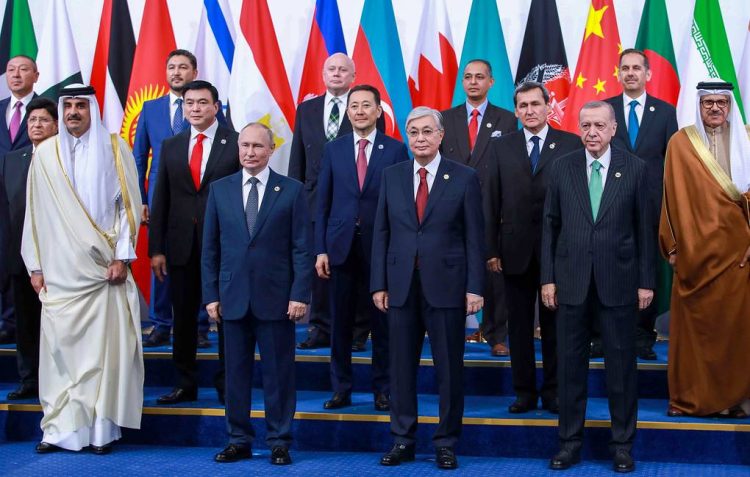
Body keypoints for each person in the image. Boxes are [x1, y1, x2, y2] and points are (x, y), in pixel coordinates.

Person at [21, 84, 143, 454]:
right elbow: (34, 214)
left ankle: (101, 431)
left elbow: (129, 208)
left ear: (92, 109)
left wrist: (122, 258)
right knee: (62, 354)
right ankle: (60, 430)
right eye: (68, 106)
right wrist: (35, 265)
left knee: (102, 354)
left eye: (80, 106)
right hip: (59, 274)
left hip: (104, 271)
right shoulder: (45, 155)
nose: (74, 112)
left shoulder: (115, 149)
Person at [541, 101, 654, 473]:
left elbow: (644, 232)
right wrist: (548, 278)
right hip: (571, 283)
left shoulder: (635, 169)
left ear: (612, 127)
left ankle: (622, 445)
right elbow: (550, 227)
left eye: (599, 126)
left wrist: (646, 283)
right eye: (585, 125)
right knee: (570, 369)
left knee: (621, 370)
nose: (591, 132)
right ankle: (569, 444)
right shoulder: (562, 168)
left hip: (618, 283)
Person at [372, 107, 485, 470]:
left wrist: (475, 288)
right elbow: (382, 233)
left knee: (448, 369)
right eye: (413, 132)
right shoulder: (391, 176)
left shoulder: (464, 177)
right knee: (400, 368)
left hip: (448, 287)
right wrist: (379, 283)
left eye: (426, 132)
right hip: (401, 286)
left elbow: (474, 238)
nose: (419, 138)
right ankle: (403, 439)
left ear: (440, 136)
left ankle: (446, 442)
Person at [203, 123, 313, 466]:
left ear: (271, 149)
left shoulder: (292, 190)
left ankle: (279, 440)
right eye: (244, 146)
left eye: (256, 146)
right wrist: (211, 295)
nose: (249, 152)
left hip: (278, 300)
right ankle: (238, 439)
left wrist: (300, 294)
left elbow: (302, 248)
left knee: (279, 375)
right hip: (232, 298)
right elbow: (210, 249)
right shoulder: (220, 190)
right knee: (235, 375)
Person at [483, 82, 580, 415]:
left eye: (535, 104)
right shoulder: (501, 147)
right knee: (520, 327)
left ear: (548, 105)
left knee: (555, 329)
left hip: (559, 252)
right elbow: (490, 201)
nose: (529, 111)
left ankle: (553, 391)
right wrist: (491, 249)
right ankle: (524, 391)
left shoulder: (571, 144)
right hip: (513, 251)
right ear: (515, 111)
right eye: (522, 106)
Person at [659, 80, 750, 418]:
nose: (714, 108)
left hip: (738, 256)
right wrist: (673, 248)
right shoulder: (681, 144)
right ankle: (691, 397)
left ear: (730, 106)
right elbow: (669, 198)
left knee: (734, 330)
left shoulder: (747, 140)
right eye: (708, 102)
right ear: (698, 105)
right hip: (694, 257)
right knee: (697, 331)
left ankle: (735, 399)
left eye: (721, 103)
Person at [315, 85, 409, 412]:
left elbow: (401, 204)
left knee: (382, 323)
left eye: (365, 106)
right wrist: (320, 249)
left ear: (378, 111)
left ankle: (383, 389)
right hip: (339, 248)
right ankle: (341, 388)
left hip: (380, 248)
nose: (358, 111)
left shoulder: (396, 150)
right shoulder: (334, 149)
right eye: (353, 106)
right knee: (339, 323)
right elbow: (322, 202)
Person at [149, 80, 238, 405]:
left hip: (226, 246)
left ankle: (228, 384)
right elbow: (162, 199)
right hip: (180, 246)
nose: (196, 108)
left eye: (203, 103)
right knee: (183, 319)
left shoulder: (236, 143)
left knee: (228, 318)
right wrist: (156, 248)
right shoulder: (171, 145)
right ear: (183, 108)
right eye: (190, 103)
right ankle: (184, 383)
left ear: (216, 107)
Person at [288, 53, 383, 350]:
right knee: (319, 266)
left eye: (344, 69)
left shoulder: (362, 110)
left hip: (350, 204)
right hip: (314, 201)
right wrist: (296, 197)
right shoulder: (306, 109)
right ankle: (319, 327)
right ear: (323, 73)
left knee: (354, 266)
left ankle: (357, 330)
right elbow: (297, 160)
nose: (337, 73)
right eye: (332, 68)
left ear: (353, 76)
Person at [134, 49, 227, 348]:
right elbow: (139, 157)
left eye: (183, 67)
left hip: (204, 199)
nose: (176, 72)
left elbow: (223, 151)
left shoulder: (208, 106)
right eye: (171, 66)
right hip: (163, 199)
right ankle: (160, 323)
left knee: (202, 264)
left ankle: (200, 325)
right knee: (162, 263)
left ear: (194, 71)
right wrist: (141, 198)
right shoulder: (150, 109)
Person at [602, 48, 678, 360]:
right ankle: (603, 334)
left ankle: (643, 337)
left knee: (649, 270)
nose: (631, 73)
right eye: (625, 68)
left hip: (651, 206)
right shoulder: (604, 110)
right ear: (618, 74)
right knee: (608, 269)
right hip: (609, 204)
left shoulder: (665, 111)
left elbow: (671, 162)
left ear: (648, 75)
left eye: (637, 68)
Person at [440, 59, 516, 356]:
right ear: (463, 82)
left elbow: (508, 166)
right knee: (452, 271)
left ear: (491, 82)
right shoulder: (445, 118)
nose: (473, 82)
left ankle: (496, 333)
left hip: (491, 207)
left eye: (480, 77)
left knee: (494, 273)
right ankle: (452, 331)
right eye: (468, 77)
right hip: (451, 209)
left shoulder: (507, 119)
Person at [0, 97, 58, 401]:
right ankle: (29, 379)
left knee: (59, 322)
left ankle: (59, 379)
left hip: (59, 256)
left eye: (43, 120)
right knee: (25, 321)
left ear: (56, 125)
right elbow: (5, 212)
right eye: (32, 120)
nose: (36, 125)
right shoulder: (13, 159)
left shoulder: (65, 158)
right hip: (20, 256)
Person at [0, 55, 39, 345]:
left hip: (30, 200)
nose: (16, 75)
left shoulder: (44, 112)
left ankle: (15, 320)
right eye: (11, 70)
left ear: (36, 75)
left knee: (22, 262)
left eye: (23, 69)